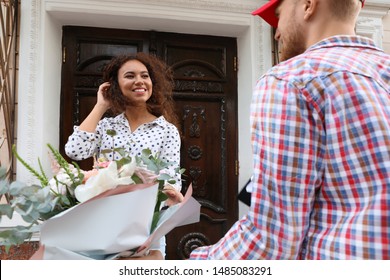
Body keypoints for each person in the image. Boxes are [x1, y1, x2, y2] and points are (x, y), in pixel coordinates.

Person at [190, 0, 390, 259]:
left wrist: (193, 263)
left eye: (278, 16)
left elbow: (272, 241)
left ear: (308, 5)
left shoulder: (291, 80)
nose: (276, 32)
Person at [65, 52, 183, 260]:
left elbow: (172, 179)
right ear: (115, 85)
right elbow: (75, 151)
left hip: (145, 226)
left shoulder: (166, 130)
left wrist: (168, 193)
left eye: (145, 75)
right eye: (130, 76)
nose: (139, 81)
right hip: (102, 222)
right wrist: (101, 105)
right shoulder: (105, 126)